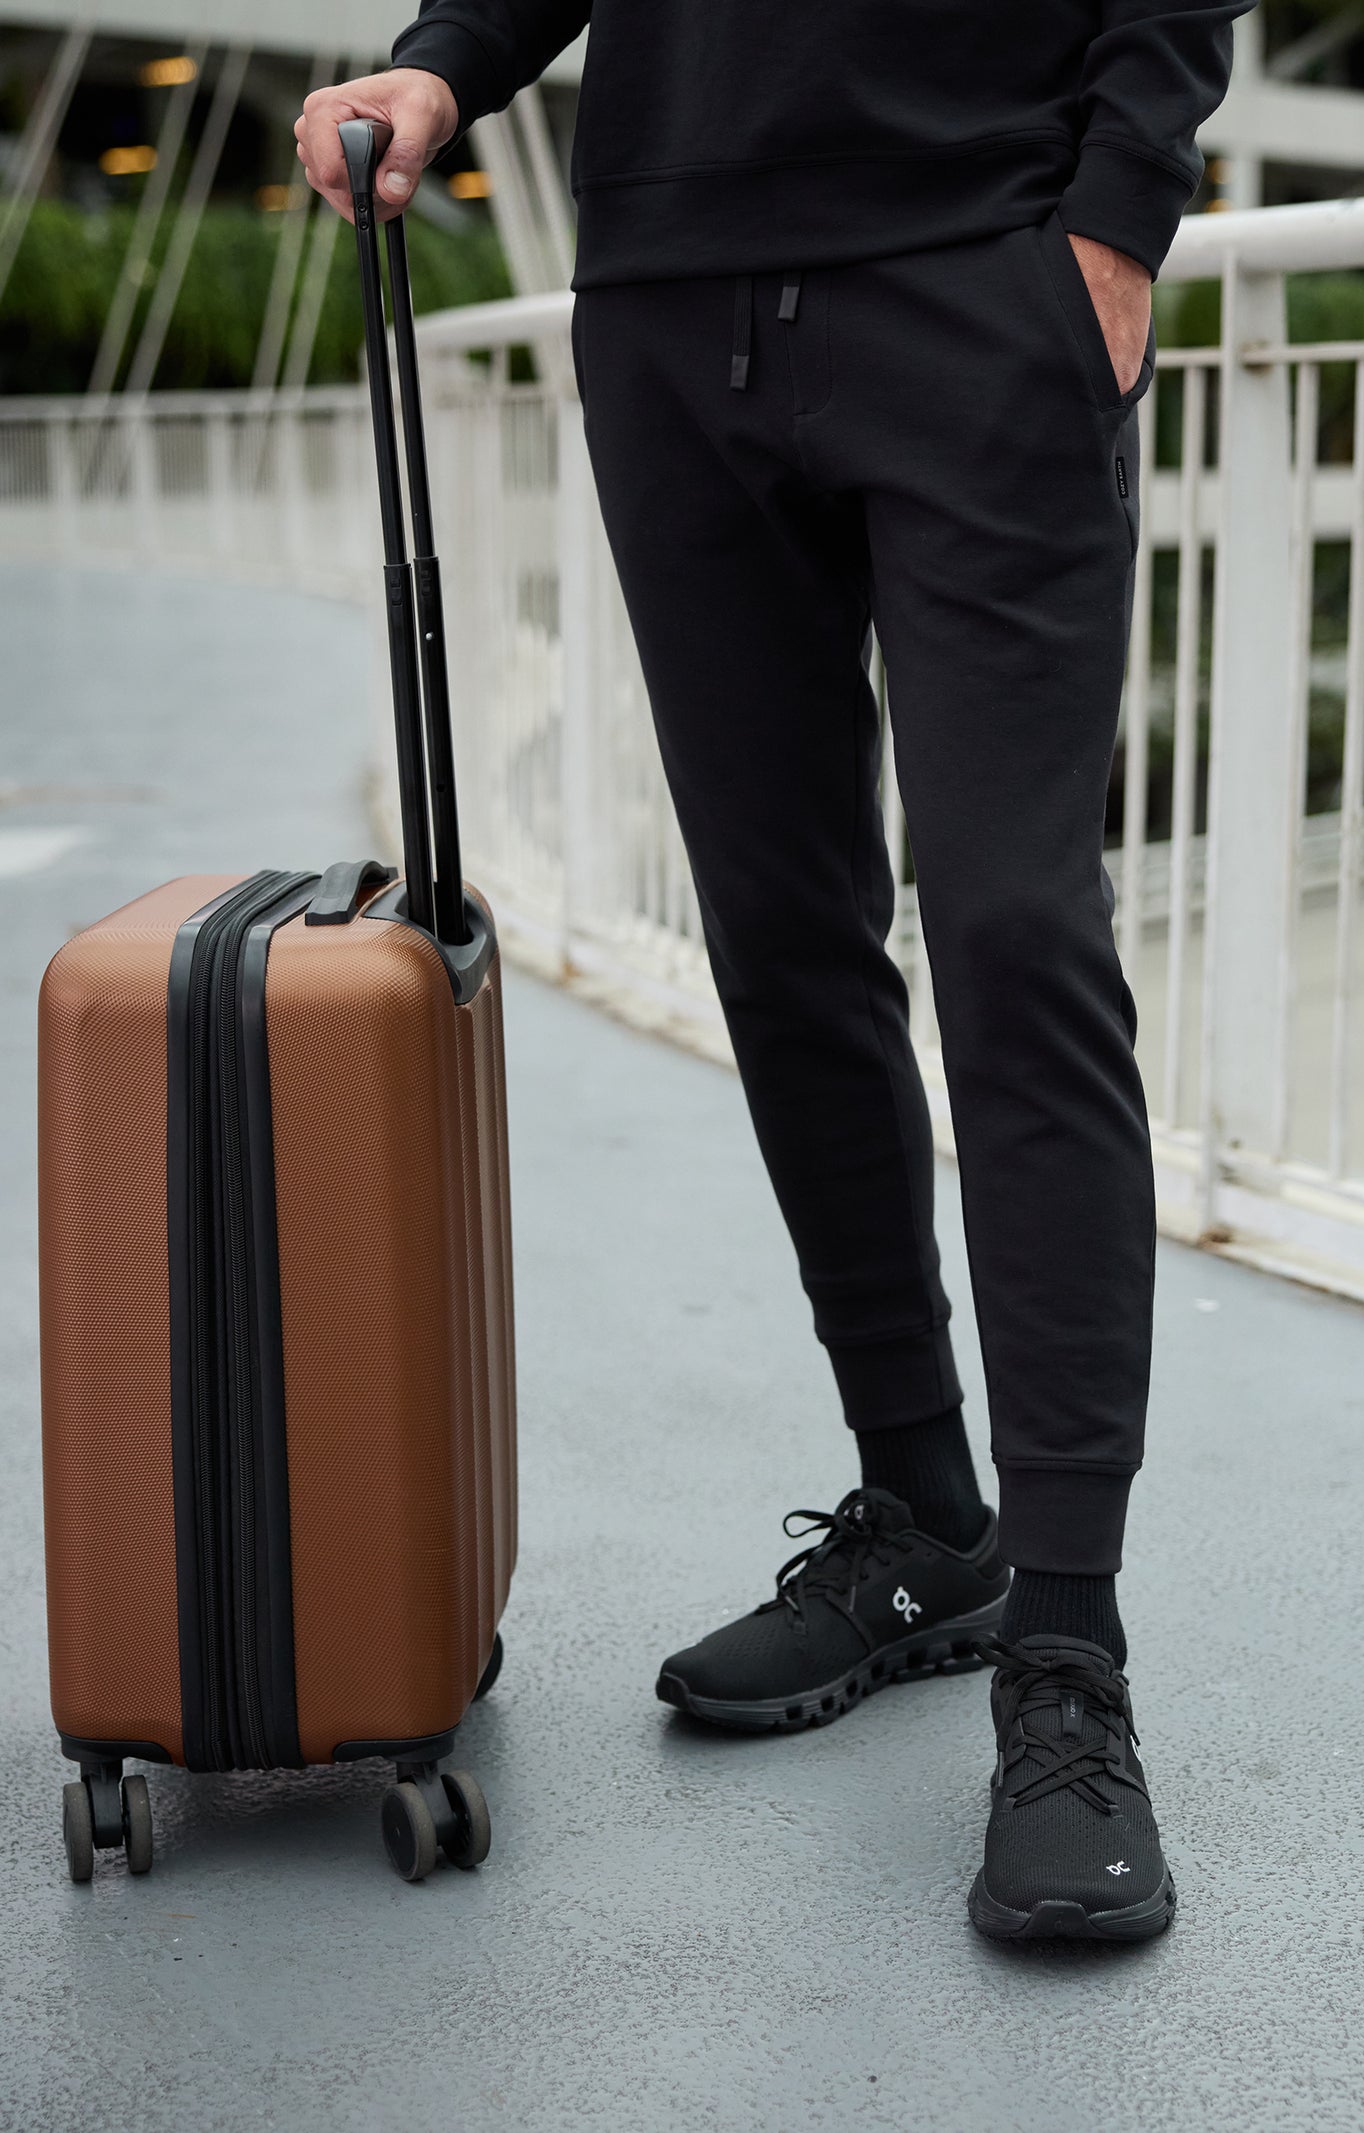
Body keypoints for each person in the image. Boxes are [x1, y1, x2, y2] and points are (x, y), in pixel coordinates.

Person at [297, 0, 1247, 1943]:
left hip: (979, 257)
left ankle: (1064, 1657)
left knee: (1009, 925)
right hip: (671, 284)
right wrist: (444, 61)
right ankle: (924, 1517)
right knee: (781, 937)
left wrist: (1117, 209)